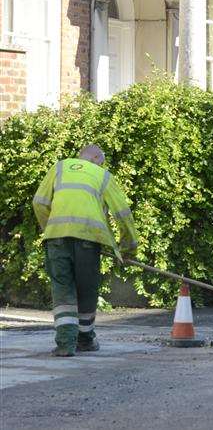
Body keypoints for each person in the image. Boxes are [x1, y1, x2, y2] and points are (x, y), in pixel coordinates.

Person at [32, 144, 138, 357]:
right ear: (97, 157)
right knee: (86, 289)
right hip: (88, 240)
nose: (102, 165)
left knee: (63, 289)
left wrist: (51, 227)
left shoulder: (59, 167)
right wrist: (128, 248)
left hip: (56, 239)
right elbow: (123, 215)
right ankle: (86, 340)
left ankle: (65, 344)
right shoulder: (103, 175)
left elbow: (39, 203)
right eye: (102, 162)